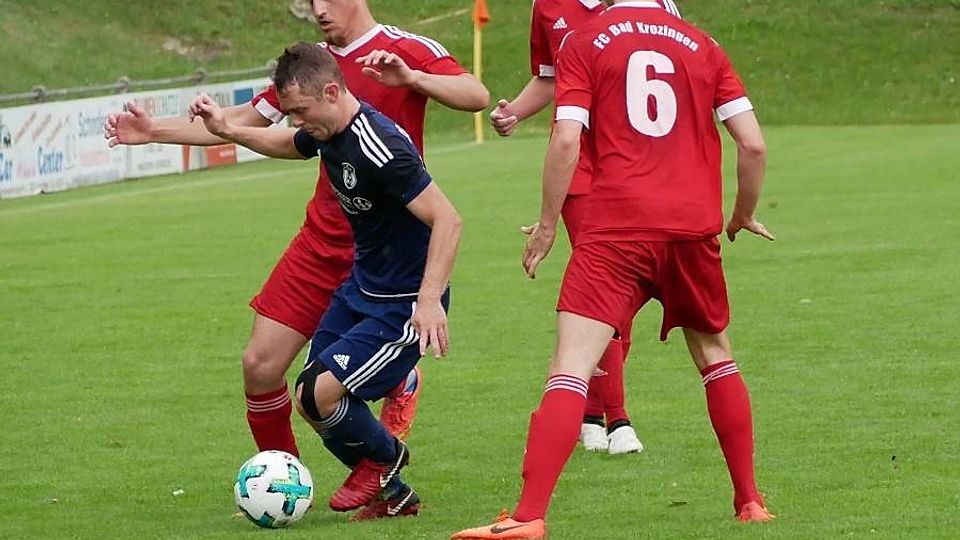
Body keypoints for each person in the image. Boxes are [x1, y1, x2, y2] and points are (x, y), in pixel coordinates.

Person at [103, 0, 488, 514]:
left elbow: (476, 97)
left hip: (395, 258)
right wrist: (157, 132)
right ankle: (291, 486)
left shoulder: (398, 59)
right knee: (269, 370)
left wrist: (412, 78)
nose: (319, 8)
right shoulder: (307, 67)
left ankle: (389, 417)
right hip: (329, 246)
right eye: (311, 1)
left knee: (325, 391)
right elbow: (269, 130)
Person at [453, 1, 775, 537]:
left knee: (570, 367)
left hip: (615, 230)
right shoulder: (703, 44)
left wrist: (547, 225)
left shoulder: (584, 40)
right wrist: (741, 213)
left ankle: (529, 516)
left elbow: (566, 138)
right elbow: (754, 145)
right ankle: (750, 501)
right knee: (716, 357)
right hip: (690, 230)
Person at [192, 42, 461, 520]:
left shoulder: (380, 147)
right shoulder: (328, 130)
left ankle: (386, 458)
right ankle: (395, 496)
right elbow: (288, 144)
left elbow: (448, 219)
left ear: (332, 92)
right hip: (362, 287)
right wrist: (228, 130)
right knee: (309, 398)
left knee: (320, 391)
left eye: (300, 111)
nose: (296, 122)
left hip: (403, 301)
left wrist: (428, 301)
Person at [491, 0, 680, 456]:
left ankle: (590, 412)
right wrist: (516, 111)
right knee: (603, 293)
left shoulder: (655, 4)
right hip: (580, 170)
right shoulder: (548, 6)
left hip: (637, 168)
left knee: (624, 299)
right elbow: (550, 76)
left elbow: (676, 69)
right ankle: (618, 420)